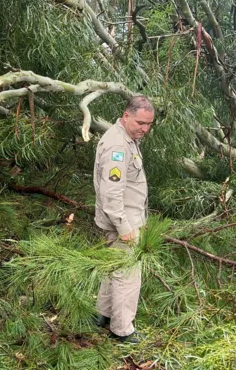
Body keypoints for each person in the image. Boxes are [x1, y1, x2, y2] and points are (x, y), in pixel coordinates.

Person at [93, 95, 154, 344]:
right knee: (127, 277)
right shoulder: (118, 145)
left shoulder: (127, 137)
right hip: (122, 222)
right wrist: (125, 227)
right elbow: (112, 193)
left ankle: (102, 314)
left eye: (149, 124)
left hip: (127, 218)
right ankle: (122, 329)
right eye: (141, 123)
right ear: (126, 115)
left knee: (113, 269)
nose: (145, 129)